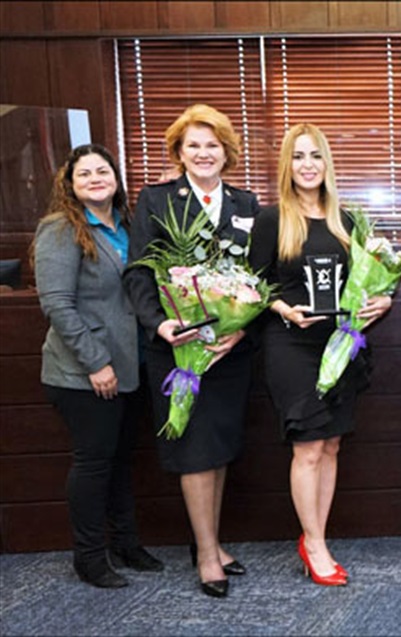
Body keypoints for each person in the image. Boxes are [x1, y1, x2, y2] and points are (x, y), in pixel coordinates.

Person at [123, 104, 261, 598]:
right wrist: (160, 325)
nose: (204, 153)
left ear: (227, 152)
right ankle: (206, 553)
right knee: (196, 452)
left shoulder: (247, 203)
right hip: (177, 350)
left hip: (228, 351)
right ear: (179, 154)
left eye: (212, 145)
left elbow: (258, 279)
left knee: (218, 448)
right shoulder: (156, 200)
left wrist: (242, 331)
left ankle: (213, 540)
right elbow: (139, 271)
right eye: (193, 145)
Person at [248, 123, 392, 587]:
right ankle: (314, 544)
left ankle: (317, 534)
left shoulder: (347, 221)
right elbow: (253, 286)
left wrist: (382, 300)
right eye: (298, 156)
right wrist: (281, 307)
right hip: (291, 343)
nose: (308, 165)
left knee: (331, 442)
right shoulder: (271, 220)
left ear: (328, 164)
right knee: (308, 445)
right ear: (286, 165)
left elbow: (371, 281)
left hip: (340, 343)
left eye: (316, 156)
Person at [32, 144, 164, 588]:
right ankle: (89, 558)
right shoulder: (60, 229)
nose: (94, 178)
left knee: (121, 461)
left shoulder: (126, 226)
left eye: (102, 171)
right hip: (84, 373)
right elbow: (57, 305)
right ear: (69, 184)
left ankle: (125, 544)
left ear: (115, 178)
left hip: (131, 367)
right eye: (83, 173)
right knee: (93, 464)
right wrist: (96, 363)